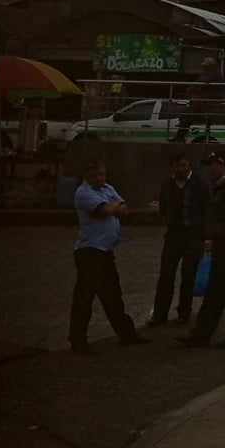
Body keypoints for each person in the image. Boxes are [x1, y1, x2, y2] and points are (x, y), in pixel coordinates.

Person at [69, 157, 145, 353]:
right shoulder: (83, 192)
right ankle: (78, 341)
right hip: (89, 251)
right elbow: (105, 210)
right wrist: (114, 207)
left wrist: (115, 208)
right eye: (95, 175)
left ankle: (126, 334)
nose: (100, 178)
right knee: (85, 297)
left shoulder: (107, 188)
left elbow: (123, 209)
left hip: (105, 251)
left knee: (113, 295)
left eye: (102, 174)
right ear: (87, 175)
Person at [182, 150, 225, 347]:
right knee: (217, 291)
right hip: (224, 244)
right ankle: (203, 334)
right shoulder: (221, 186)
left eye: (211, 165)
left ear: (221, 164)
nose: (208, 170)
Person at [150, 149, 205, 325]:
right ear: (172, 167)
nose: (181, 169)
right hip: (173, 235)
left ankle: (184, 313)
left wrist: (206, 236)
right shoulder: (167, 184)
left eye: (184, 165)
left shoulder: (199, 184)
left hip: (194, 235)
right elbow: (163, 208)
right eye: (178, 166)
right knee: (166, 275)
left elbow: (207, 209)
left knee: (188, 275)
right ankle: (160, 315)